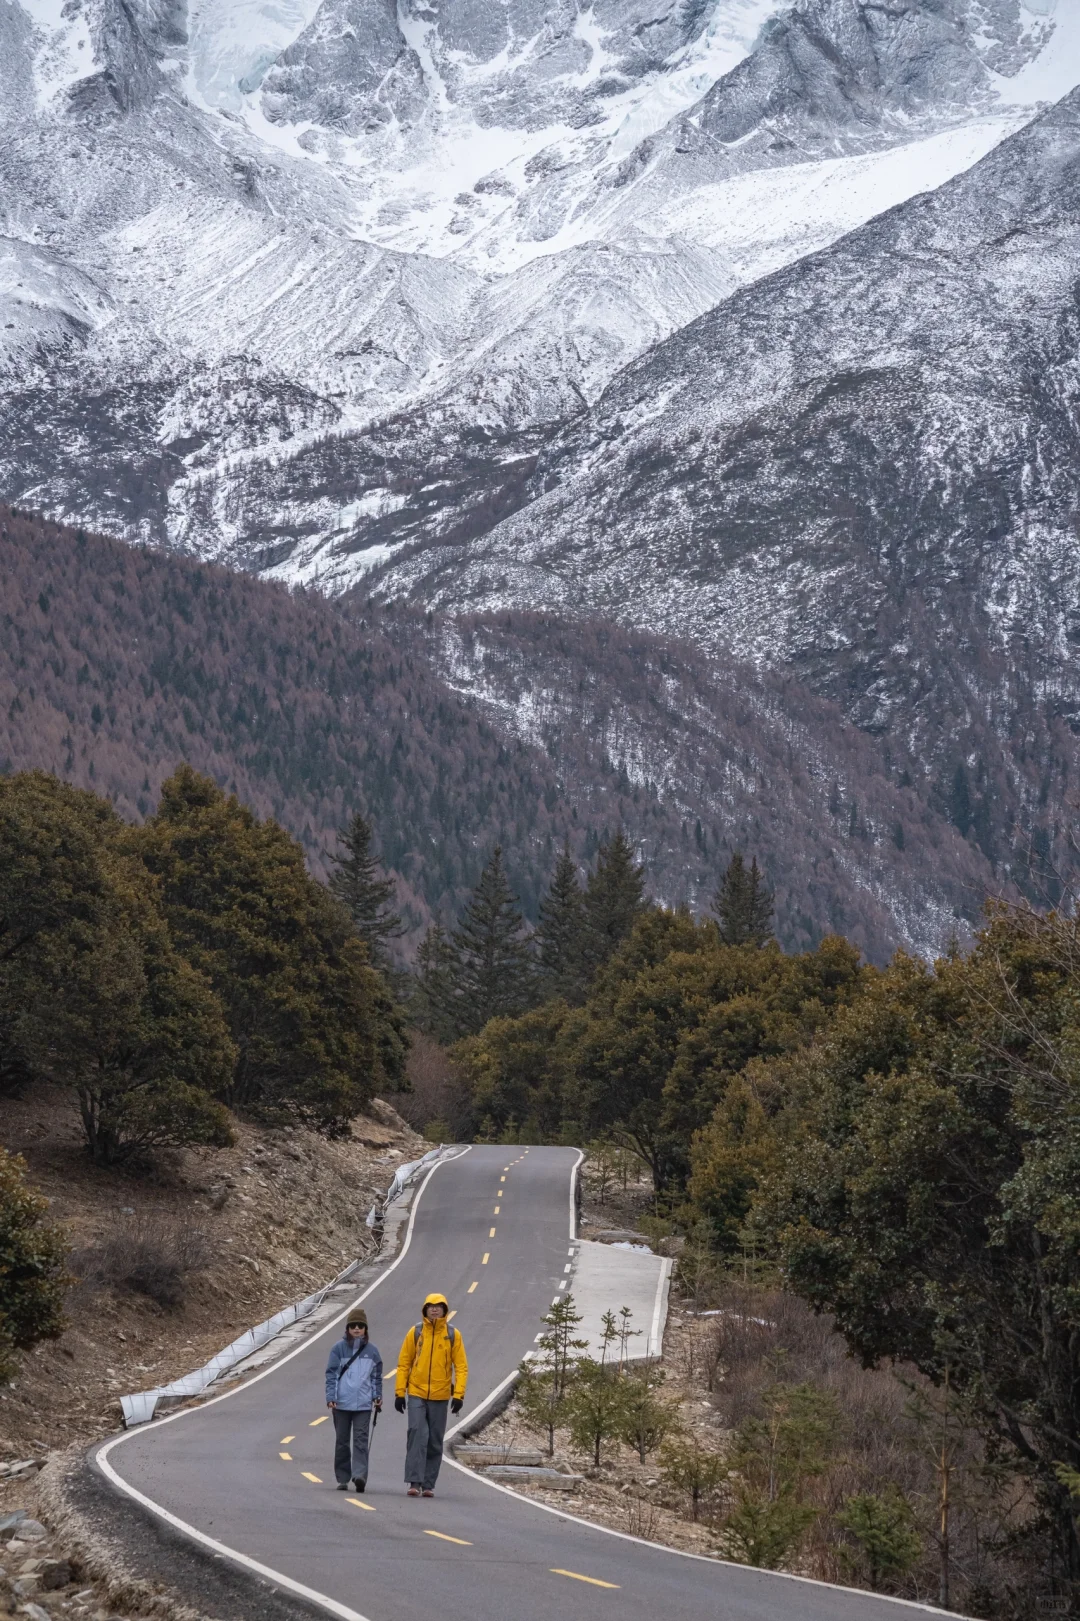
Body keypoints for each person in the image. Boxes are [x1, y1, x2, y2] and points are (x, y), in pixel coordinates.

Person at [393, 1293, 468, 1498]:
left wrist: (459, 1395)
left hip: (441, 1396)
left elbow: (461, 1367)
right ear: (424, 1309)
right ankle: (414, 1482)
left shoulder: (453, 1335)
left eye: (439, 1306)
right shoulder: (416, 1332)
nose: (434, 1309)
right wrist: (400, 1392)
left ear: (445, 1310)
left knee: (435, 1440)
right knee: (417, 1434)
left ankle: (428, 1484)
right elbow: (404, 1363)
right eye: (430, 1306)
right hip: (416, 1392)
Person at [325, 1310, 382, 1492]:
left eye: (360, 1326)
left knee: (360, 1441)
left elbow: (376, 1377)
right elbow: (331, 1375)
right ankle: (342, 1478)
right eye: (353, 1326)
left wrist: (377, 1396)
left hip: (363, 1405)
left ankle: (359, 1476)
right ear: (347, 1328)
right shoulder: (337, 1349)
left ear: (365, 1329)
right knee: (342, 1441)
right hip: (341, 1404)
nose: (356, 1329)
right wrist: (331, 1397)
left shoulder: (372, 1352)